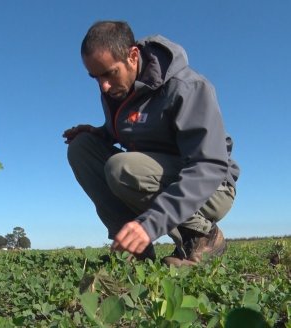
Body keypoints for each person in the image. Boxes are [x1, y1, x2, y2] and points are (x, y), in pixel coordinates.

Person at [63, 21, 239, 266]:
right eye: (95, 77)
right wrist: (100, 133)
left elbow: (208, 165)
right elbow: (137, 130)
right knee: (81, 148)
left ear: (133, 56)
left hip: (212, 187)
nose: (102, 86)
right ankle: (133, 250)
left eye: (109, 73)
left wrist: (151, 224)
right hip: (156, 175)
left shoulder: (187, 87)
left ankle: (201, 237)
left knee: (121, 168)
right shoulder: (117, 91)